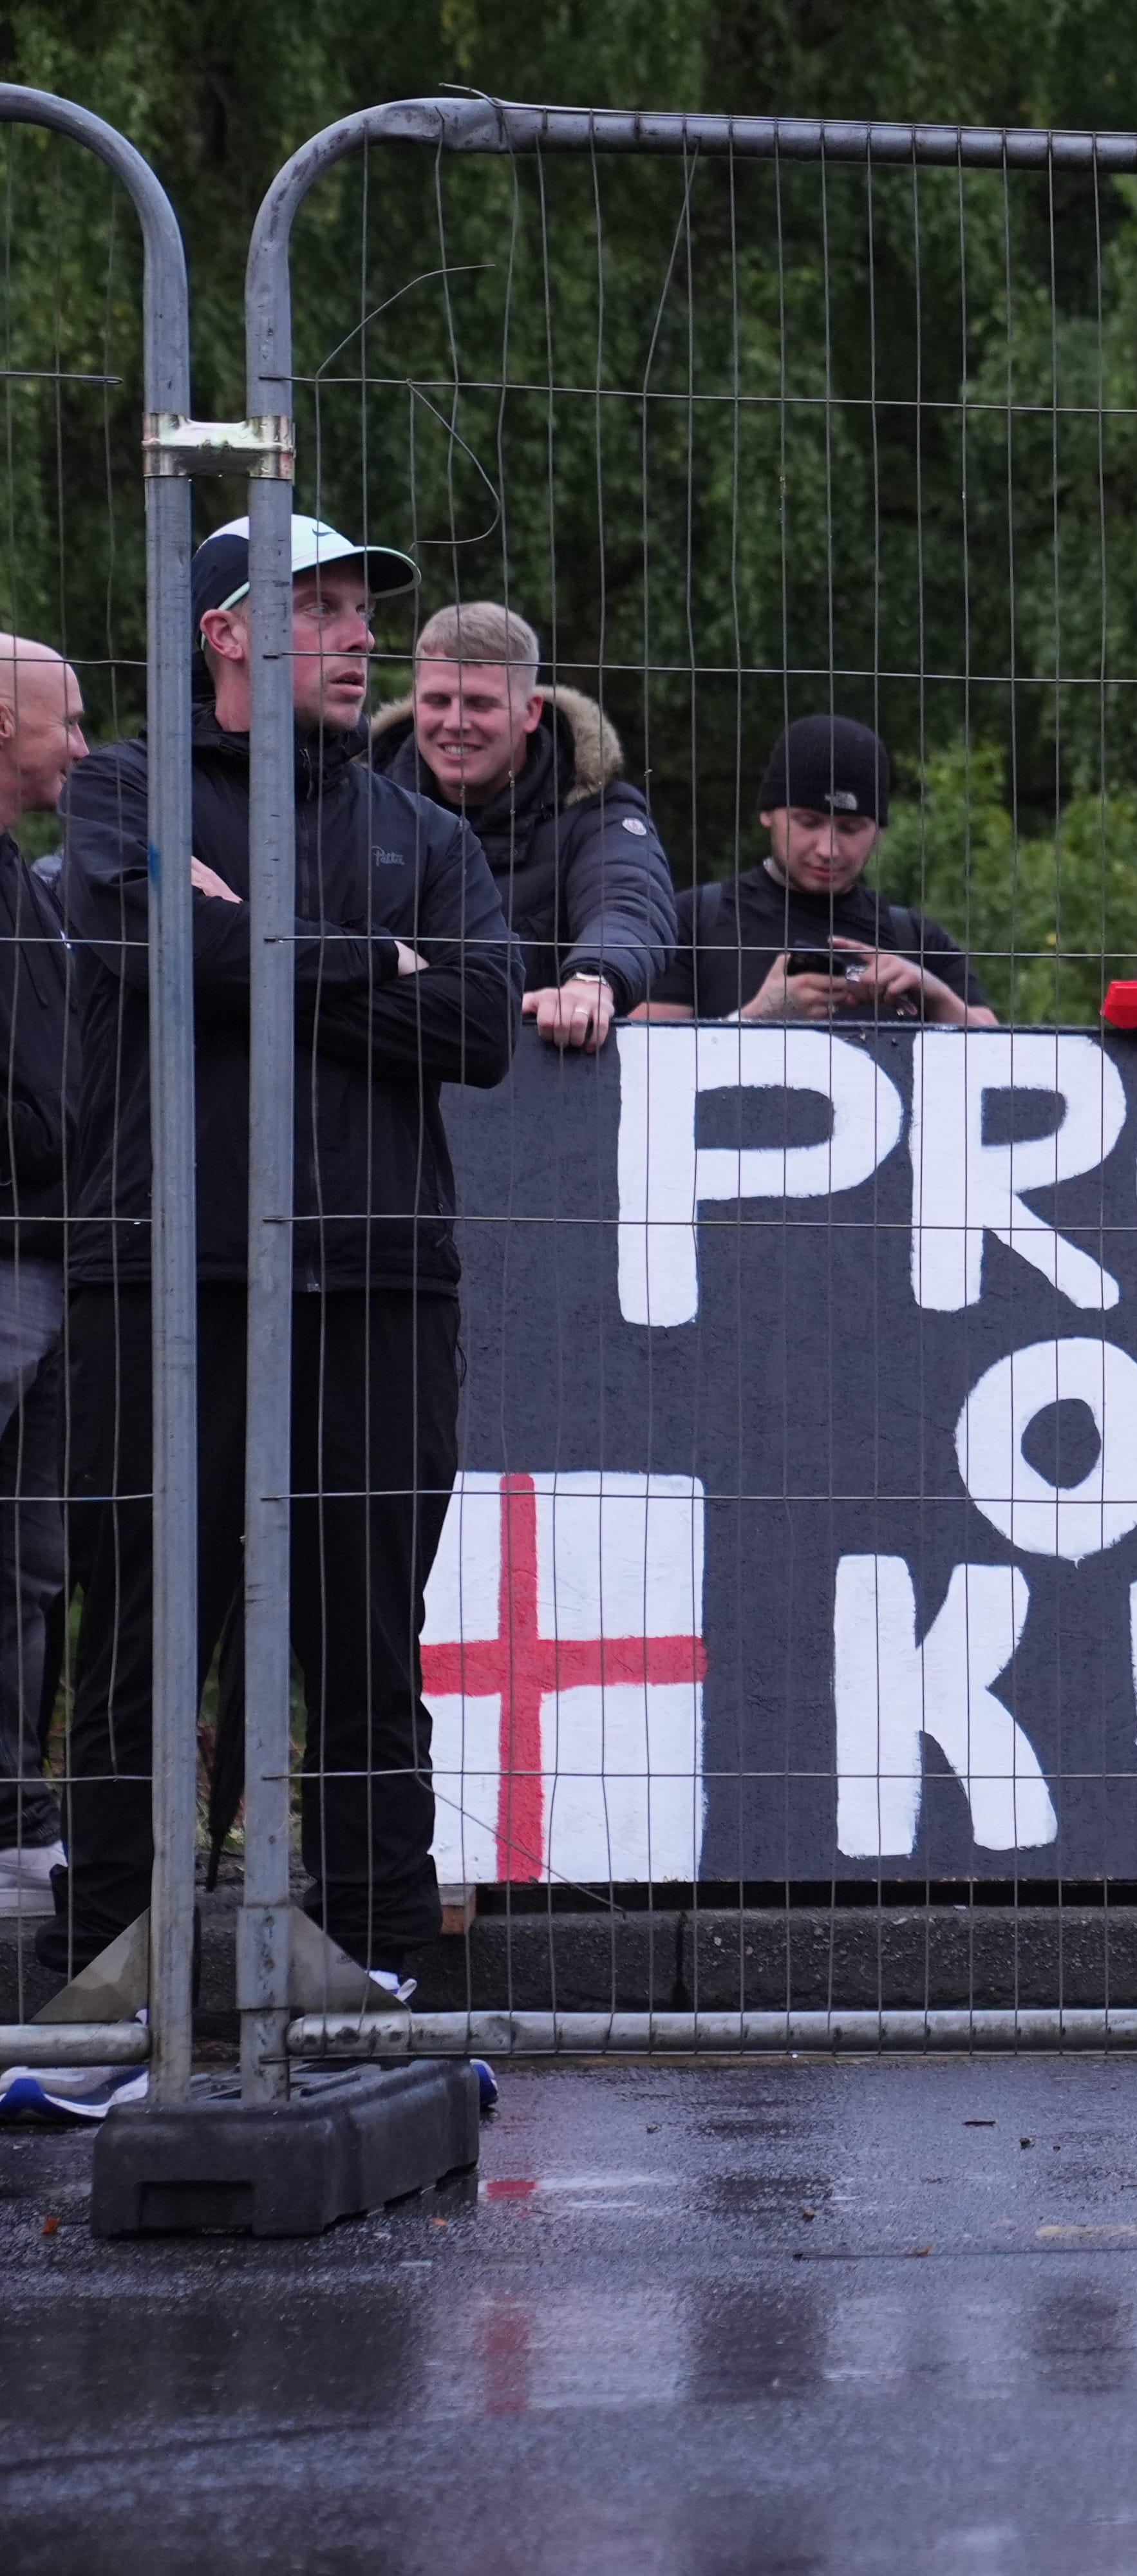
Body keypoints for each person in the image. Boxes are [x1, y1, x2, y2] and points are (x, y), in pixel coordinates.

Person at [46, 513, 522, 1988]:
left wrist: (264, 945)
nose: (358, 634)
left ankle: (387, 1976)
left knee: (367, 1658)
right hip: (162, 1279)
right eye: (318, 607)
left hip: (375, 1284)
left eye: (361, 608)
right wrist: (372, 956)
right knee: (143, 1643)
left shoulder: (423, 829)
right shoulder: (128, 786)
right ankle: (117, 1986)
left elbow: (485, 1025)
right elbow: (163, 957)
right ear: (227, 631)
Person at [369, 601, 678, 1052]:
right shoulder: (356, 805)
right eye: (438, 701)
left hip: (540, 1077)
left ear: (531, 711)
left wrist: (591, 982)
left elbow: (632, 903)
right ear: (415, 700)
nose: (455, 723)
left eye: (480, 703)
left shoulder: (598, 812)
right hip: (382, 1072)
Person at [641, 715, 993, 1026]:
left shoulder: (916, 940)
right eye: (808, 823)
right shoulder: (692, 922)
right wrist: (756, 1019)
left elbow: (1001, 1071)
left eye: (851, 829)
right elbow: (639, 1071)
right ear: (768, 814)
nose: (828, 850)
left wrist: (937, 997)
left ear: (879, 832)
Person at [0, 637, 82, 1920]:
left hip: (55, 1248)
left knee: (31, 1550)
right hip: (16, 1241)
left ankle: (15, 1807)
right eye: (61, 722)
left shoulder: (29, 882)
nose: (78, 744)